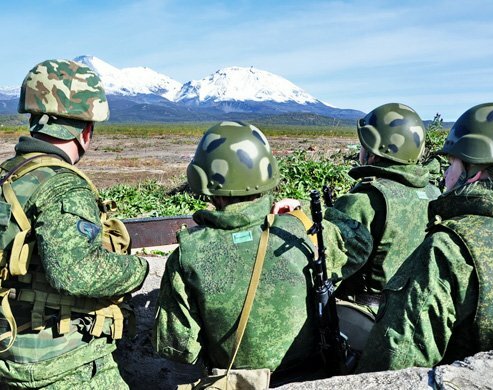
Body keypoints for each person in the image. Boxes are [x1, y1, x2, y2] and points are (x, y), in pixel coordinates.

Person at [153, 121, 372, 385]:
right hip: (313, 379)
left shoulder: (187, 255)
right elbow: (360, 245)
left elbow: (179, 348)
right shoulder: (303, 231)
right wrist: (304, 214)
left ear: (202, 179)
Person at [356, 102, 493, 373]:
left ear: (473, 173)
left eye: (451, 164)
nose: (445, 175)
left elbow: (394, 364)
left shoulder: (450, 247)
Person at [0, 59, 149, 388]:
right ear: (86, 129)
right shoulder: (64, 185)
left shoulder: (9, 174)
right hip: (57, 362)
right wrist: (137, 269)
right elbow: (77, 273)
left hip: (9, 349)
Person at [332, 103, 441, 314]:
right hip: (417, 311)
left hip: (362, 316)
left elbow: (329, 267)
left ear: (374, 149)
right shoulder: (434, 194)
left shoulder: (363, 201)